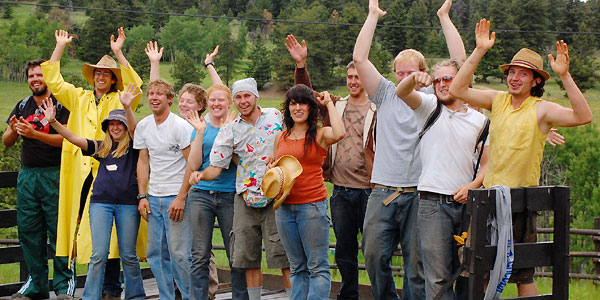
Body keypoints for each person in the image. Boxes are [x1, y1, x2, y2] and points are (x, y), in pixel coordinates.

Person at [449, 18, 593, 296]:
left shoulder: (541, 109)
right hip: (488, 200)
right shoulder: (498, 100)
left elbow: (584, 116)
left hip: (521, 204)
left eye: (523, 74)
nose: (514, 78)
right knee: (480, 269)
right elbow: (457, 90)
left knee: (523, 272)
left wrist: (564, 75)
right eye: (512, 72)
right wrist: (479, 50)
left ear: (536, 80)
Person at [352, 0, 467, 298]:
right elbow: (360, 58)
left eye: (411, 72)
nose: (405, 78)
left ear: (423, 73)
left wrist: (444, 17)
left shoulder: (433, 97)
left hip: (421, 192)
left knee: (417, 268)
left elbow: (460, 62)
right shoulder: (385, 94)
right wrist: (372, 16)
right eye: (399, 73)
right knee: (374, 256)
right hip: (384, 191)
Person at [41, 28, 144, 300]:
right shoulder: (79, 97)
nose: (100, 77)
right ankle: (83, 288)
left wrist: (119, 53)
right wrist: (60, 47)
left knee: (114, 240)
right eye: (97, 73)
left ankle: (113, 289)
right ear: (93, 77)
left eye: (106, 74)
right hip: (82, 168)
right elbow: (53, 81)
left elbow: (136, 87)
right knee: (88, 231)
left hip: (115, 171)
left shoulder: (119, 100)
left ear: (112, 80)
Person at [284, 33, 376, 300]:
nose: (353, 82)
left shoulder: (377, 108)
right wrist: (301, 66)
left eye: (358, 76)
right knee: (344, 249)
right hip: (341, 190)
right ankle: (349, 295)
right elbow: (306, 96)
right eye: (350, 77)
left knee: (372, 250)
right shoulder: (336, 105)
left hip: (369, 189)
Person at [395, 59, 489, 300]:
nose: (441, 84)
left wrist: (473, 186)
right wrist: (414, 79)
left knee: (469, 274)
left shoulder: (481, 122)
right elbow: (401, 91)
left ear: (462, 80)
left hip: (468, 205)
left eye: (448, 78)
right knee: (437, 279)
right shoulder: (428, 107)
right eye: (437, 80)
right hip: (432, 204)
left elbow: (488, 164)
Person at [189, 78, 291, 300]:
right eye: (238, 97)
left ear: (256, 96)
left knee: (284, 256)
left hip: (276, 197)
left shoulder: (276, 116)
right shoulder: (230, 129)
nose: (243, 101)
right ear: (233, 101)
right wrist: (201, 174)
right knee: (247, 257)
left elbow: (293, 138)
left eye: (247, 95)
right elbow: (216, 166)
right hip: (246, 198)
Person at [2, 59, 74, 300]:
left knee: (59, 232)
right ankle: (36, 285)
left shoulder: (62, 104)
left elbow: (68, 139)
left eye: (40, 75)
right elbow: (6, 141)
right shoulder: (22, 105)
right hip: (28, 176)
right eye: (31, 75)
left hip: (56, 174)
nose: (35, 79)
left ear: (48, 78)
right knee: (29, 233)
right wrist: (14, 129)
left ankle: (64, 286)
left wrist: (34, 134)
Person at [266, 86, 344, 299]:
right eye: (293, 103)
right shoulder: (280, 137)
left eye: (303, 103)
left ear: (311, 108)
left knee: (317, 266)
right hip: (284, 208)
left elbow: (339, 132)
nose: (298, 107)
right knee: (297, 266)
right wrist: (271, 169)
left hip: (311, 207)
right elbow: (278, 166)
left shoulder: (319, 134)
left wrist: (328, 103)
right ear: (288, 107)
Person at [134, 77, 194, 300]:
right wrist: (142, 195)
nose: (154, 98)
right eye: (151, 93)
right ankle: (167, 296)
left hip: (175, 197)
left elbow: (192, 163)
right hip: (154, 197)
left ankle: (190, 296)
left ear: (170, 99)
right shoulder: (143, 126)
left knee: (179, 254)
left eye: (160, 94)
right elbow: (143, 162)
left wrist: (181, 197)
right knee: (154, 254)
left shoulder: (181, 126)